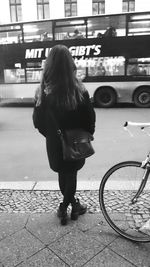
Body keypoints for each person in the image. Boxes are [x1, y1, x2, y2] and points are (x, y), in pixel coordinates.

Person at [35, 45, 96, 225]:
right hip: (77, 142)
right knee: (71, 174)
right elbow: (90, 119)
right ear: (70, 64)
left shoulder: (43, 91)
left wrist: (54, 136)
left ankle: (71, 206)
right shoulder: (79, 89)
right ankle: (68, 207)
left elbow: (38, 122)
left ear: (49, 65)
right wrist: (86, 135)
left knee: (63, 174)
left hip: (54, 144)